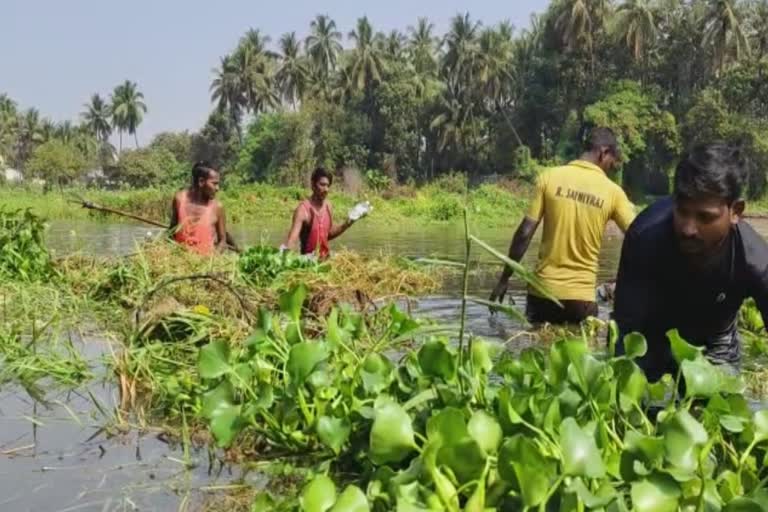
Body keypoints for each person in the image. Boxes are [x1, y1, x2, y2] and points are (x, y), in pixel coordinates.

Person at [612, 143, 768, 382]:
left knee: (716, 410)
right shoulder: (645, 237)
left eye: (705, 217)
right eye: (683, 211)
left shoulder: (755, 260)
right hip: (649, 331)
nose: (688, 229)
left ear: (735, 211)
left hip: (715, 339)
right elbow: (627, 328)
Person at [489, 127, 636, 324]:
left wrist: (504, 279)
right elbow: (639, 236)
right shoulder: (613, 192)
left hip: (542, 295)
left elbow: (525, 232)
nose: (611, 167)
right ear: (603, 152)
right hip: (580, 301)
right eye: (612, 160)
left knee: (535, 348)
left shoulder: (549, 177)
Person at [283, 167, 365, 260]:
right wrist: (285, 259)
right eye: (322, 185)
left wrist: (349, 222)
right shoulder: (303, 210)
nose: (326, 189)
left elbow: (327, 235)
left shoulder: (328, 206)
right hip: (309, 260)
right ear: (313, 185)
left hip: (325, 259)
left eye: (328, 185)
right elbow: (292, 240)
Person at [169, 161, 228, 255]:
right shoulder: (179, 199)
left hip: (205, 263)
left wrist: (212, 260)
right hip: (180, 260)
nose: (217, 188)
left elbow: (222, 242)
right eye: (214, 183)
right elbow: (171, 232)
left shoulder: (217, 207)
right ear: (201, 182)